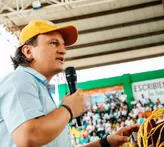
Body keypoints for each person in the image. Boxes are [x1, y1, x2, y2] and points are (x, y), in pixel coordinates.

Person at [0, 20, 139, 147]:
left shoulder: (41, 91)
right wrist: (68, 109)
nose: (63, 50)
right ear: (28, 51)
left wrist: (105, 143)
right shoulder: (19, 80)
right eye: (53, 43)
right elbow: (28, 137)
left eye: (63, 45)